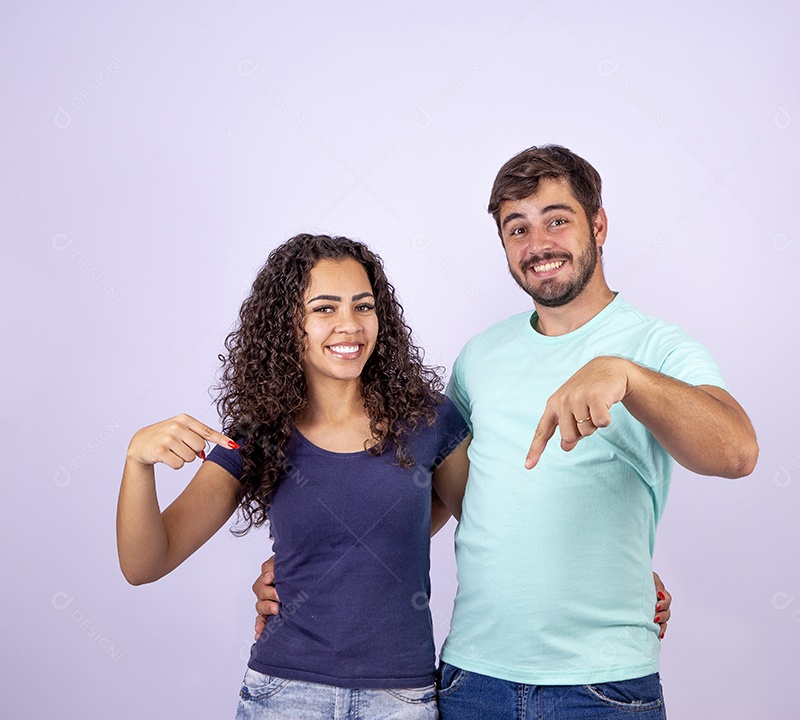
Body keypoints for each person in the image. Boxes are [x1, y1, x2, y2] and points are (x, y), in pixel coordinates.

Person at [256, 145, 756, 719]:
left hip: (603, 688)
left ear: (599, 225)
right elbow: (438, 496)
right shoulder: (481, 356)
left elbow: (736, 451)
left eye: (557, 220)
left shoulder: (656, 348)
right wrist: (314, 568)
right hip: (472, 682)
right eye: (517, 228)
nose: (538, 244)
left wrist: (627, 377)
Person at [117, 234, 471, 719]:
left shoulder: (429, 419)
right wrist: (137, 462)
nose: (349, 325)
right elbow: (144, 564)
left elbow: (477, 518)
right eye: (324, 308)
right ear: (288, 324)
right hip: (284, 695)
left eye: (363, 306)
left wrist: (360, 549)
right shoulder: (260, 434)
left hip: (401, 699)